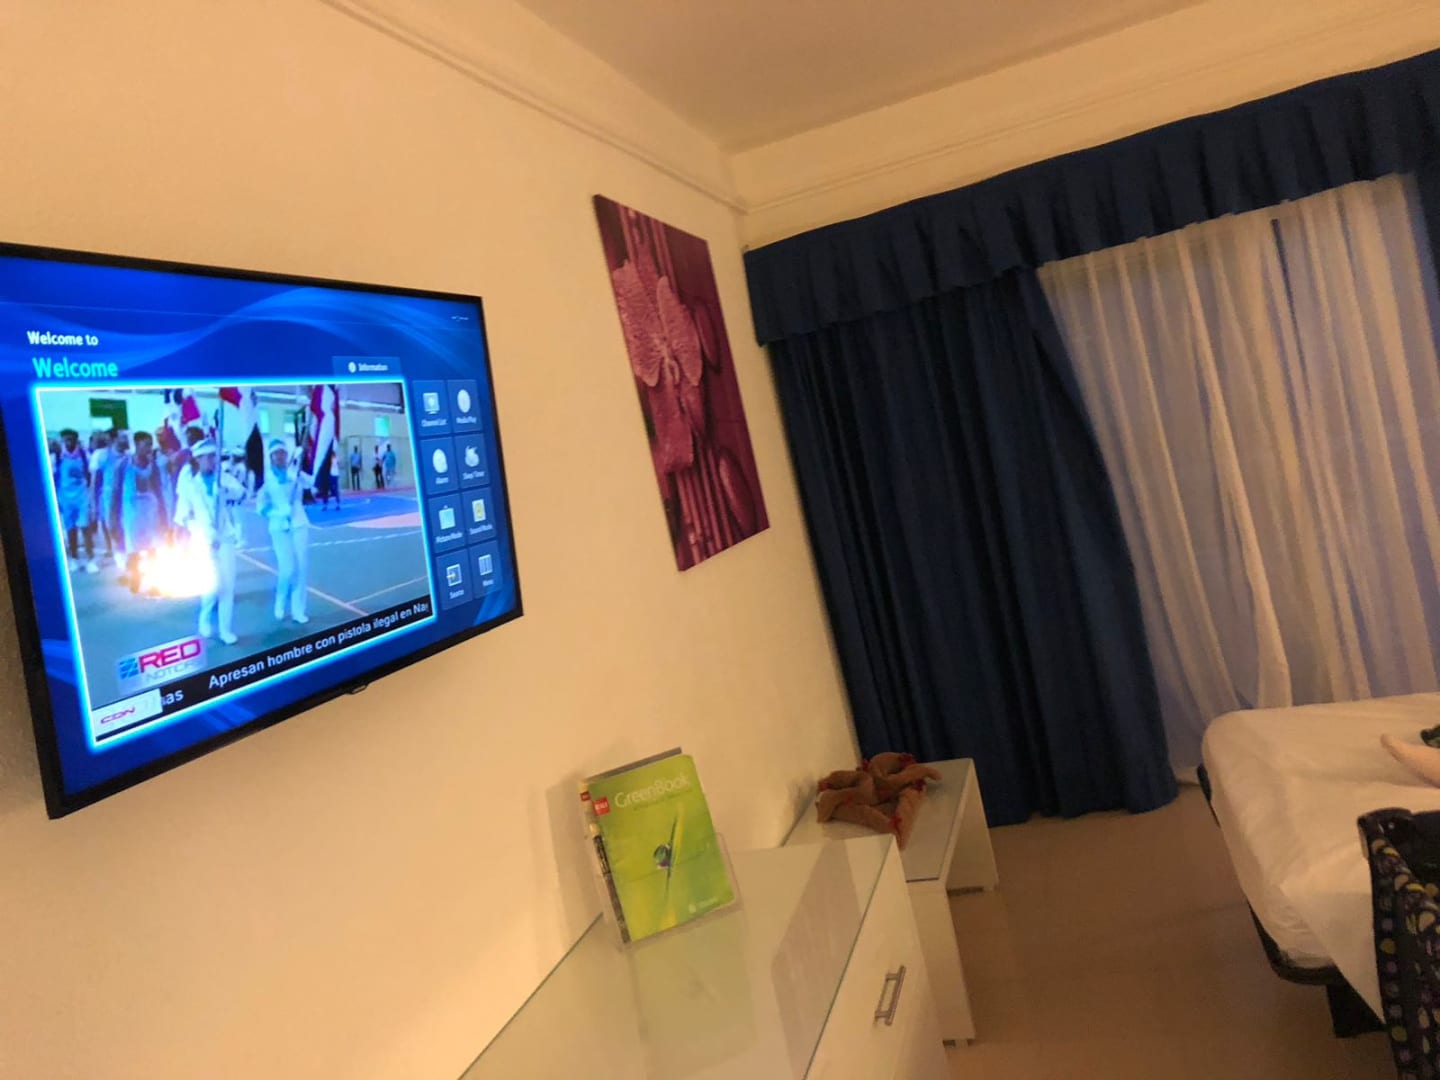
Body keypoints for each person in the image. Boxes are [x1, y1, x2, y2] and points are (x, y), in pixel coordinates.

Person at [173, 439, 244, 645]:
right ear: (198, 459)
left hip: (225, 538)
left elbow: (241, 493)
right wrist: (200, 531)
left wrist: (227, 486)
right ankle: (204, 619)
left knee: (228, 586)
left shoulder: (224, 478)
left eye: (214, 456)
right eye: (208, 457)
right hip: (203, 540)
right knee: (212, 586)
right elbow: (182, 516)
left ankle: (225, 630)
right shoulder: (189, 485)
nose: (213, 461)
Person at [256, 438, 313, 624]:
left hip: (299, 523)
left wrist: (302, 467)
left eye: (283, 453)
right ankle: (280, 601)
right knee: (287, 570)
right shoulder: (266, 479)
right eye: (276, 454)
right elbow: (260, 507)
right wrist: (278, 512)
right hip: (279, 527)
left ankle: (298, 610)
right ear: (271, 457)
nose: (280, 456)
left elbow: (312, 483)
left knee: (301, 568)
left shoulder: (294, 473)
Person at [118, 431, 168, 593]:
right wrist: (113, 515)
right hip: (132, 512)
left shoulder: (153, 465)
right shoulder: (124, 464)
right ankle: (135, 577)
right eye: (146, 444)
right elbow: (115, 491)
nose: (149, 447)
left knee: (153, 548)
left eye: (150, 444)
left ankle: (154, 583)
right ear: (137, 444)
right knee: (133, 549)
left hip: (150, 511)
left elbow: (158, 489)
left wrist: (163, 513)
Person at [53, 428, 98, 573]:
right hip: (65, 499)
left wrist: (90, 495)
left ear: (76, 440)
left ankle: (90, 559)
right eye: (66, 439)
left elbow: (90, 476)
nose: (68, 442)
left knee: (85, 529)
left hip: (82, 497)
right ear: (62, 440)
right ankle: (74, 559)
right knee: (71, 530)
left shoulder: (84, 455)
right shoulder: (57, 457)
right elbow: (53, 478)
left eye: (71, 439)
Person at [99, 429, 131, 571]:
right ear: (115, 439)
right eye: (123, 437)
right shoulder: (103, 456)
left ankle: (128, 563)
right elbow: (95, 479)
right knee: (113, 529)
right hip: (109, 499)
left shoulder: (129, 458)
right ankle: (121, 564)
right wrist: (93, 502)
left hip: (126, 499)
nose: (126, 440)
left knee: (125, 529)